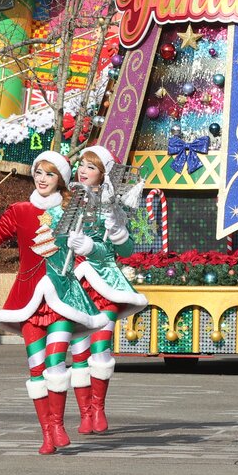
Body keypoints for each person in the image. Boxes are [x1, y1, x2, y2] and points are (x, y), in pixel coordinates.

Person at [0, 151, 106, 455]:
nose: (43, 180)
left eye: (50, 174)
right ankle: (46, 433)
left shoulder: (74, 211)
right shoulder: (19, 210)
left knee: (56, 365)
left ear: (61, 180)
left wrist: (88, 246)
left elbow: (100, 249)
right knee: (36, 369)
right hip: (29, 301)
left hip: (62, 300)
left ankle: (58, 424)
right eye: (39, 173)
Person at [65, 145, 147, 434]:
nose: (83, 171)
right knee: (79, 351)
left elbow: (125, 249)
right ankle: (85, 412)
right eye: (82, 166)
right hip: (74, 284)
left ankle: (98, 408)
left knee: (100, 349)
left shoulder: (111, 205)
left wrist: (101, 240)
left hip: (104, 285)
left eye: (91, 167)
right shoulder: (68, 202)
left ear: (103, 174)